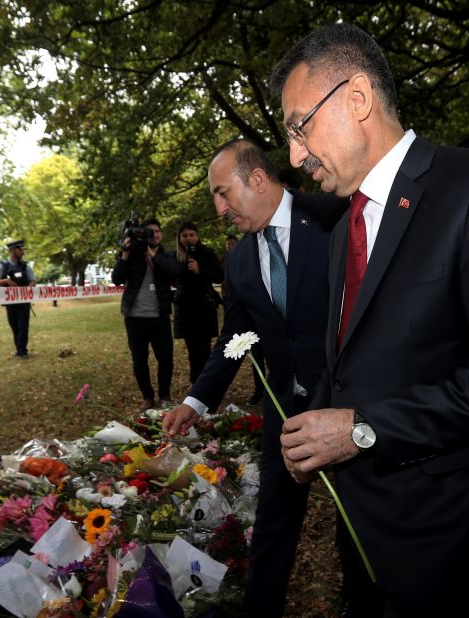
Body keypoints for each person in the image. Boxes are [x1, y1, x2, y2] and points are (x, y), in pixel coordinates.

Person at [271, 23, 469, 616]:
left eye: (300, 127)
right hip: (364, 534)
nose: (296, 156)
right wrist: (313, 433)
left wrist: (359, 429)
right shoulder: (340, 232)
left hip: (449, 543)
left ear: (356, 98)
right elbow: (353, 366)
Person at [162, 138, 346, 616]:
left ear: (258, 179)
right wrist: (194, 402)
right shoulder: (240, 259)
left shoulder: (336, 215)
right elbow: (233, 339)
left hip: (349, 405)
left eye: (223, 193)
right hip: (284, 409)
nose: (218, 208)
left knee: (359, 521)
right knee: (273, 524)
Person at [111, 216, 180, 411]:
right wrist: (124, 253)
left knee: (165, 358)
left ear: (161, 234)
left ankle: (164, 395)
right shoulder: (132, 255)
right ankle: (147, 397)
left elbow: (174, 272)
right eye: (150, 232)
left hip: (160, 316)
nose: (154, 235)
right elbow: (116, 278)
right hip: (134, 317)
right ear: (143, 234)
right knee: (139, 360)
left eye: (157, 231)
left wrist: (151, 253)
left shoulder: (167, 255)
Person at [172, 221, 224, 385]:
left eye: (191, 235)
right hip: (186, 309)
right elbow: (172, 277)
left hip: (204, 307)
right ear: (180, 238)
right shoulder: (175, 255)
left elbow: (219, 276)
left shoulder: (207, 252)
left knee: (205, 349)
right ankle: (196, 384)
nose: (188, 238)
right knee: (193, 350)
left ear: (197, 236)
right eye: (185, 236)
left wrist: (200, 270)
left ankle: (207, 384)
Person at [0, 239, 36, 359]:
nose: (22, 251)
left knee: (23, 326)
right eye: (20, 249)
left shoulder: (25, 266)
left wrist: (28, 289)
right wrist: (6, 281)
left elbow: (33, 280)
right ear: (12, 250)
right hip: (10, 302)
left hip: (23, 302)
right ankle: (19, 349)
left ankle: (23, 351)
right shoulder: (3, 265)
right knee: (14, 326)